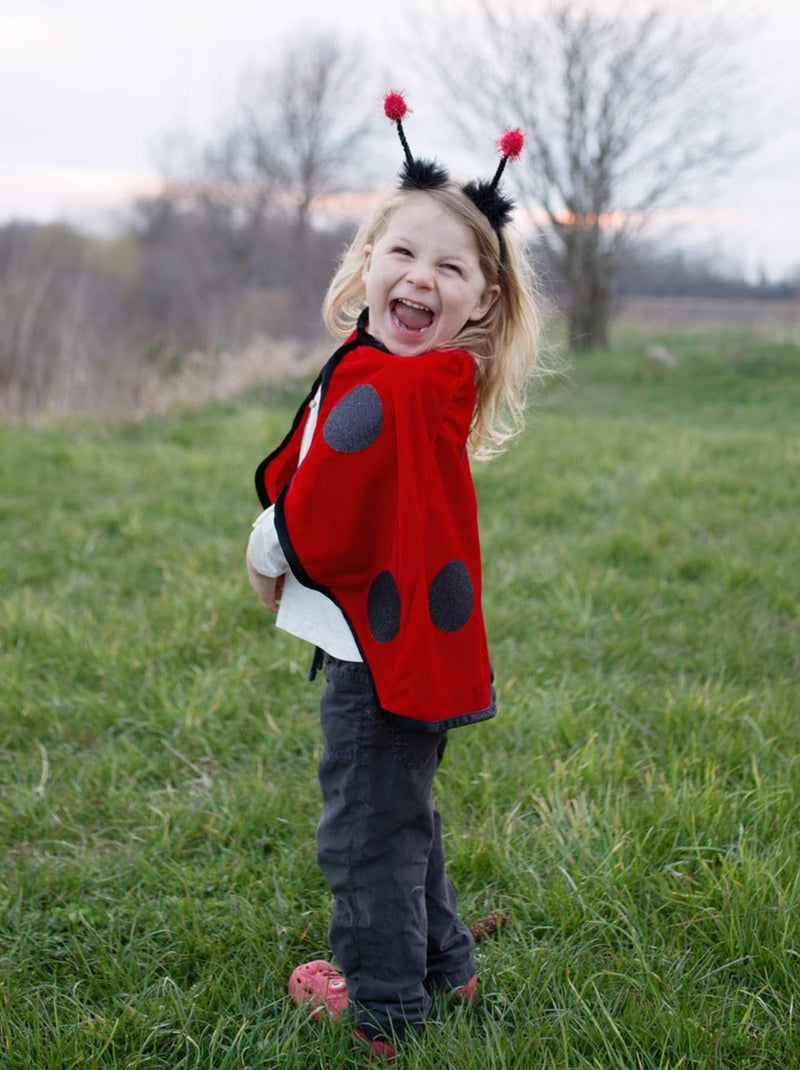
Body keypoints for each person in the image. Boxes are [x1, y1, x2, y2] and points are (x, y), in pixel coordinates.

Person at [246, 91, 544, 1062]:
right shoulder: (400, 369)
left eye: (450, 267)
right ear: (368, 257)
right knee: (400, 812)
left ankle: (382, 1005)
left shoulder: (405, 381)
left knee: (362, 835)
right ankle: (443, 959)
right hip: (400, 644)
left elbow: (323, 510)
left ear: (481, 299)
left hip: (374, 658)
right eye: (403, 252)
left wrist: (266, 546)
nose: (421, 276)